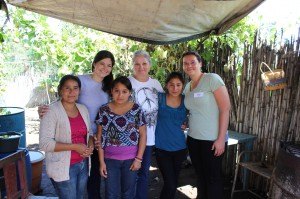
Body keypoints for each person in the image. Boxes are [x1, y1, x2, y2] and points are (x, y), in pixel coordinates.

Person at [38, 50, 115, 199]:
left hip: (96, 138)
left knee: (94, 177)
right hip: (75, 136)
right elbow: (64, 97)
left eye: (109, 65)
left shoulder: (109, 86)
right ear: (94, 63)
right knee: (77, 181)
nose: (105, 68)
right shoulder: (81, 81)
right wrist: (44, 109)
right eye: (102, 64)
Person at [182, 51, 231, 199]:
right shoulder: (187, 87)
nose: (189, 65)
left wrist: (221, 139)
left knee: (213, 179)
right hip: (193, 139)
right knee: (200, 177)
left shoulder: (212, 79)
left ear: (200, 64)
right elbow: (192, 111)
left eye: (192, 62)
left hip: (212, 140)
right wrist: (185, 122)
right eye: (185, 63)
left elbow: (225, 108)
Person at [39, 75, 94, 199]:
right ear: (60, 90)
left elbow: (89, 133)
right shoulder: (51, 110)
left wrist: (90, 146)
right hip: (63, 167)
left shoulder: (83, 109)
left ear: (79, 91)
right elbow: (45, 143)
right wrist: (75, 147)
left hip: (83, 164)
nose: (71, 92)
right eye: (67, 88)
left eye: (75, 88)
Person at [96, 76, 147, 199]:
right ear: (111, 91)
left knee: (128, 194)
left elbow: (143, 135)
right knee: (111, 194)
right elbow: (100, 138)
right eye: (117, 90)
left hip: (131, 160)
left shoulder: (136, 109)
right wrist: (102, 162)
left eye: (124, 91)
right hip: (110, 160)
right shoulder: (104, 110)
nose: (120, 95)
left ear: (130, 93)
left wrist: (138, 159)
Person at [128, 50, 163, 199]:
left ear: (149, 65)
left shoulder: (155, 83)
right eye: (137, 64)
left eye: (144, 63)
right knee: (130, 173)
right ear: (132, 66)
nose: (141, 67)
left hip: (149, 138)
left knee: (143, 173)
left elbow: (164, 106)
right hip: (129, 137)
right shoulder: (127, 82)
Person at [155, 72, 187, 199]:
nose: (175, 88)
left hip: (180, 148)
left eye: (178, 85)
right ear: (166, 85)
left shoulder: (186, 100)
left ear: (183, 86)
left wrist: (187, 122)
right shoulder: (159, 98)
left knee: (173, 182)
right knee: (171, 183)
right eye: (171, 85)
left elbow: (196, 114)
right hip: (162, 148)